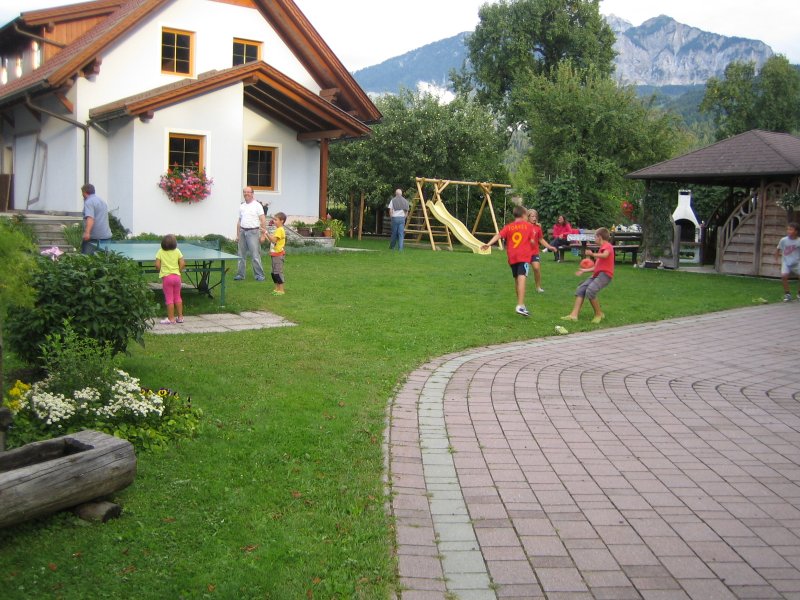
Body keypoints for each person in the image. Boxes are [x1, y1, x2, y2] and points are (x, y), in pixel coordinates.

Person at [480, 205, 536, 317]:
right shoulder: (529, 226)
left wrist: (489, 244)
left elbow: (499, 235)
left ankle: (521, 305)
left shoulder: (509, 227)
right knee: (522, 279)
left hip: (512, 257)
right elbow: (533, 241)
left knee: (517, 280)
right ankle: (520, 305)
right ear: (524, 215)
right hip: (523, 256)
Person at [561, 227, 614, 324]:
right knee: (581, 289)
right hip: (597, 275)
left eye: (595, 237)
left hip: (605, 275)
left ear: (599, 237)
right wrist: (584, 270)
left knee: (591, 290)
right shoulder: (601, 249)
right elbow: (597, 268)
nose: (594, 239)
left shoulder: (607, 246)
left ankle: (599, 314)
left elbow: (605, 255)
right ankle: (573, 315)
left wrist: (592, 254)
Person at [234, 187, 267, 281]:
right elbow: (239, 221)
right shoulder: (242, 206)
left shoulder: (257, 205)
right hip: (242, 232)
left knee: (255, 255)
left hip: (253, 232)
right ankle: (240, 275)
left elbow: (263, 220)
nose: (246, 194)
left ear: (252, 193)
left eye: (248, 192)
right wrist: (237, 235)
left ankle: (259, 275)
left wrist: (263, 235)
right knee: (240, 255)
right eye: (244, 192)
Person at [155, 234, 186, 324]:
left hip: (167, 278)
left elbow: (157, 265)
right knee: (177, 297)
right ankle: (180, 318)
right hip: (177, 277)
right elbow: (183, 263)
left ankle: (171, 319)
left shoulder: (160, 251)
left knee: (169, 298)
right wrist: (178, 271)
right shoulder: (177, 251)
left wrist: (161, 270)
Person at [527, 209, 558, 293]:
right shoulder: (524, 226)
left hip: (534, 252)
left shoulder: (538, 227)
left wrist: (549, 247)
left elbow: (541, 239)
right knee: (523, 272)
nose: (534, 218)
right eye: (532, 216)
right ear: (528, 217)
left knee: (536, 268)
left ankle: (538, 287)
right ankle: (521, 287)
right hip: (524, 253)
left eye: (535, 216)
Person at [80, 183, 112, 254]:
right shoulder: (102, 201)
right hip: (106, 236)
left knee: (86, 260)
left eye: (82, 193)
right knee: (104, 261)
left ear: (84, 192)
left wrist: (87, 233)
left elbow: (90, 218)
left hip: (93, 238)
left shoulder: (89, 202)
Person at [776, 222, 800, 302]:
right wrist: (776, 260)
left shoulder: (799, 241)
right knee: (784, 276)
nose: (788, 231)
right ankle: (787, 294)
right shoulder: (783, 240)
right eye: (788, 229)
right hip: (786, 262)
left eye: (791, 229)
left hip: (797, 262)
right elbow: (778, 249)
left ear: (796, 231)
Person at [264, 211, 287, 296]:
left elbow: (273, 240)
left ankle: (281, 290)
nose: (274, 221)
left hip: (278, 255)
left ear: (282, 221)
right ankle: (277, 289)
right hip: (274, 255)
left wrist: (266, 233)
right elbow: (272, 242)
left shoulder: (280, 230)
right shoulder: (277, 230)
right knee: (274, 272)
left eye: (276, 219)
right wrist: (265, 234)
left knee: (278, 272)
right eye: (274, 219)